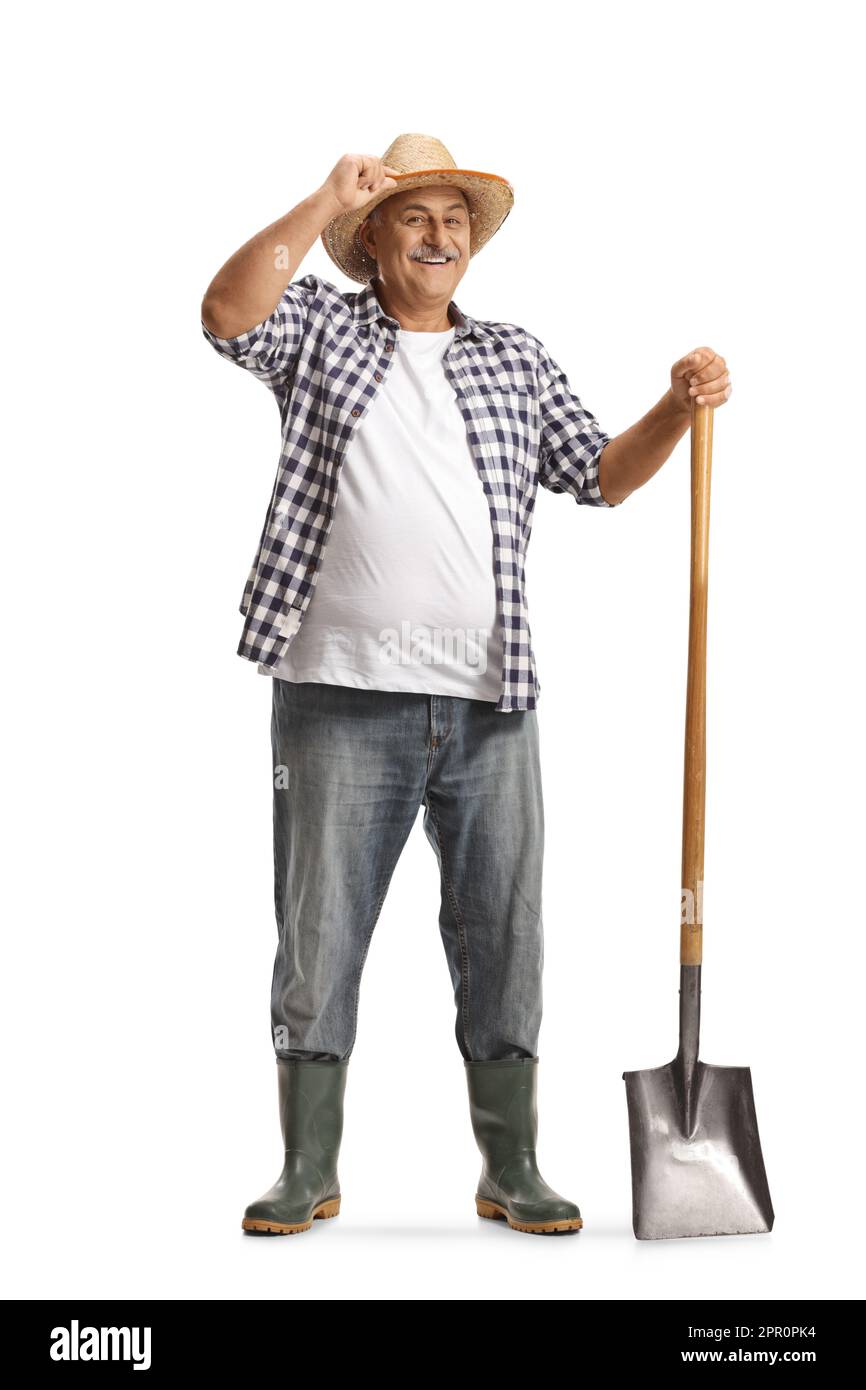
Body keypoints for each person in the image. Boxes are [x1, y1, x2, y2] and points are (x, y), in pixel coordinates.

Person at [200, 132, 732, 1237]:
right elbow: (226, 315)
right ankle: (307, 1165)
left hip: (488, 704)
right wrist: (316, 199)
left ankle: (512, 1164)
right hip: (337, 693)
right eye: (412, 216)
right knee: (318, 937)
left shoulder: (512, 358)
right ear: (372, 241)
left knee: (503, 932)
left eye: (453, 219)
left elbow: (597, 473)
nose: (438, 235)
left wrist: (675, 409)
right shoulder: (321, 332)